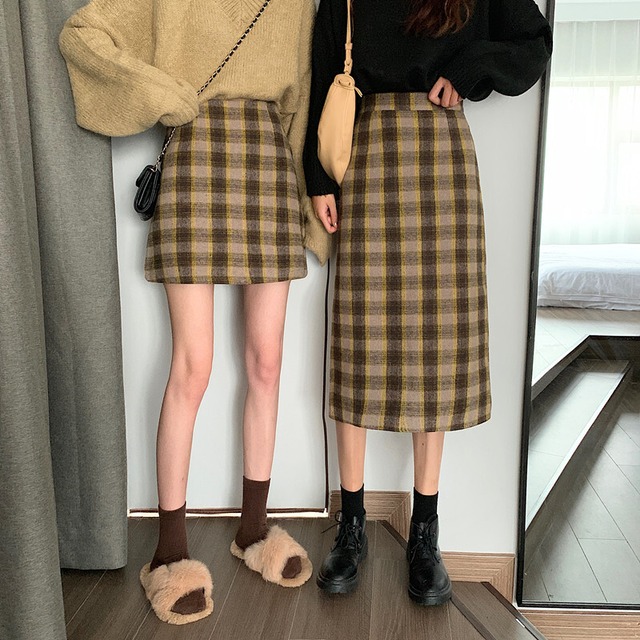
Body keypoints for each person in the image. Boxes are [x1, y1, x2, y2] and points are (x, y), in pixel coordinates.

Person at [59, 0, 327, 625]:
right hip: (195, 156)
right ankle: (169, 550)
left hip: (270, 167)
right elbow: (82, 36)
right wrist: (164, 94)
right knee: (193, 366)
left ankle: (254, 530)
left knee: (267, 362)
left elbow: (301, 106)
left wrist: (310, 220)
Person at [304, 0, 552, 605]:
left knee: (436, 349)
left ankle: (425, 531)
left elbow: (533, 44)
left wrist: (469, 69)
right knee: (357, 344)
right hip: (364, 157)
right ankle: (353, 523)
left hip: (441, 158)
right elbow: (324, 69)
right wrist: (319, 175)